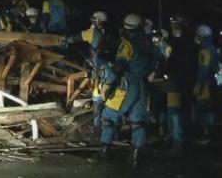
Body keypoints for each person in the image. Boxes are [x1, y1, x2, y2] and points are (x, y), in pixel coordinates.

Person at [100, 13, 153, 168]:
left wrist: (109, 81)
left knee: (109, 116)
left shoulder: (127, 44)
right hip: (142, 86)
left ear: (127, 28)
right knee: (138, 121)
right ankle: (136, 155)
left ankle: (104, 150)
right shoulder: (149, 43)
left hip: (127, 84)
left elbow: (120, 66)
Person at [66, 11, 108, 128]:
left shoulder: (93, 32)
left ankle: (97, 126)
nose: (92, 22)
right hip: (106, 70)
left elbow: (76, 38)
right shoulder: (105, 34)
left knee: (97, 97)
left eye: (94, 20)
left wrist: (65, 40)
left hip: (98, 70)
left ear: (97, 21)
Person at [164, 15, 196, 148]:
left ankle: (177, 142)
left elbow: (170, 63)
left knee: (175, 112)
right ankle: (180, 139)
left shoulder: (178, 45)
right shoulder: (191, 44)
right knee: (182, 111)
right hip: (185, 83)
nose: (174, 28)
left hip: (177, 83)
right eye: (173, 26)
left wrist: (161, 72)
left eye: (177, 26)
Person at [193, 24, 218, 144]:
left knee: (203, 110)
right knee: (209, 109)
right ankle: (210, 134)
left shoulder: (204, 51)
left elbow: (203, 69)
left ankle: (205, 135)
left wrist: (199, 85)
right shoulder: (213, 48)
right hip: (212, 82)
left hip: (205, 84)